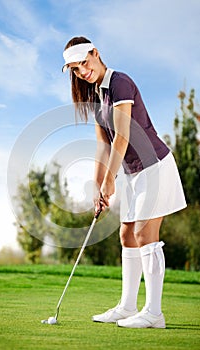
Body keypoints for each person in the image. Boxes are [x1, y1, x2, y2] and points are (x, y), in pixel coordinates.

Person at [62, 36, 187, 328]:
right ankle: (127, 307)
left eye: (84, 63)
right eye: (76, 70)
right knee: (127, 235)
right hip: (132, 172)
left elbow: (123, 136)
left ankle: (154, 313)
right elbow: (103, 146)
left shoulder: (120, 83)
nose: (83, 71)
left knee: (145, 235)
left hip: (154, 166)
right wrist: (98, 187)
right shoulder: (95, 96)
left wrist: (110, 181)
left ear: (95, 53)